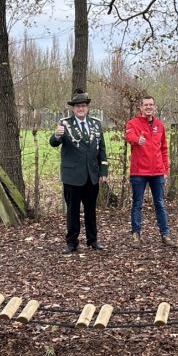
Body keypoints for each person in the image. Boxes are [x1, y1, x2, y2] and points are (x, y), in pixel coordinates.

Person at [50, 89, 108, 253]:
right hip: (72, 176)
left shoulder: (96, 123)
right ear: (73, 109)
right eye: (77, 106)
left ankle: (93, 240)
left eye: (83, 106)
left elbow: (101, 148)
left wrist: (103, 171)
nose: (80, 109)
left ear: (88, 108)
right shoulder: (65, 123)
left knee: (91, 210)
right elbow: (54, 143)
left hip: (92, 175)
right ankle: (71, 242)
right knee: (72, 211)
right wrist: (56, 135)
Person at [125, 95, 176, 246]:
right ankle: (136, 235)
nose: (148, 107)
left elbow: (164, 149)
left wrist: (166, 170)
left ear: (154, 107)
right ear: (140, 107)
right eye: (146, 105)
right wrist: (136, 140)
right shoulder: (132, 123)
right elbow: (128, 136)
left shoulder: (160, 125)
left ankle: (165, 235)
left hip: (158, 172)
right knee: (137, 204)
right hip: (139, 172)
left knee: (160, 203)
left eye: (151, 105)